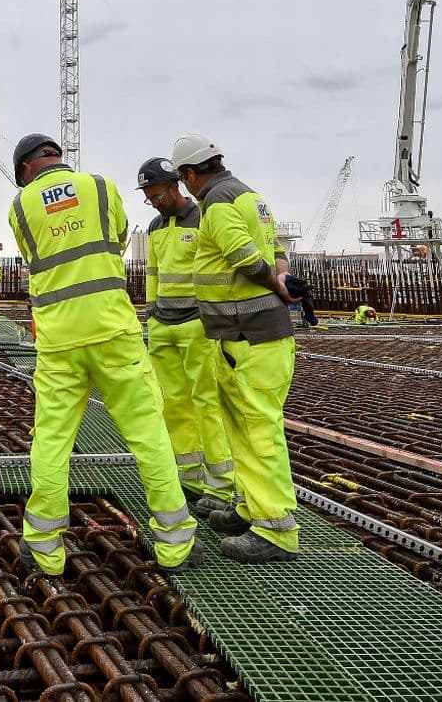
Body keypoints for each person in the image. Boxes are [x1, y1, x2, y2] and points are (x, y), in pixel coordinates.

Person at [10, 135, 195, 574]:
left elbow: (33, 254)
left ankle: (44, 548)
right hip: (113, 331)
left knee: (52, 440)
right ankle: (175, 545)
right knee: (148, 433)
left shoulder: (20, 206)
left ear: (24, 171)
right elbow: (115, 237)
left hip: (58, 340)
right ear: (58, 158)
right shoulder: (99, 186)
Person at [172, 131, 302, 565]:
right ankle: (250, 508)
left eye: (182, 178)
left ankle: (276, 529)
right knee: (244, 428)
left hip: (251, 334)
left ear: (191, 174)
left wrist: (275, 283)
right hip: (242, 336)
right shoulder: (251, 197)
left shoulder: (219, 203)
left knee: (258, 429)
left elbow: (244, 256)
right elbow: (277, 248)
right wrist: (282, 275)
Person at [138, 157, 236, 515]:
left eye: (157, 194)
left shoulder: (203, 219)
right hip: (164, 325)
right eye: (148, 197)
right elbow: (153, 272)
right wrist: (151, 315)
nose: (154, 201)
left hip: (197, 324)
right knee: (173, 403)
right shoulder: (154, 226)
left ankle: (222, 484)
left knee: (207, 402)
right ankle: (189, 475)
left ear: (176, 186)